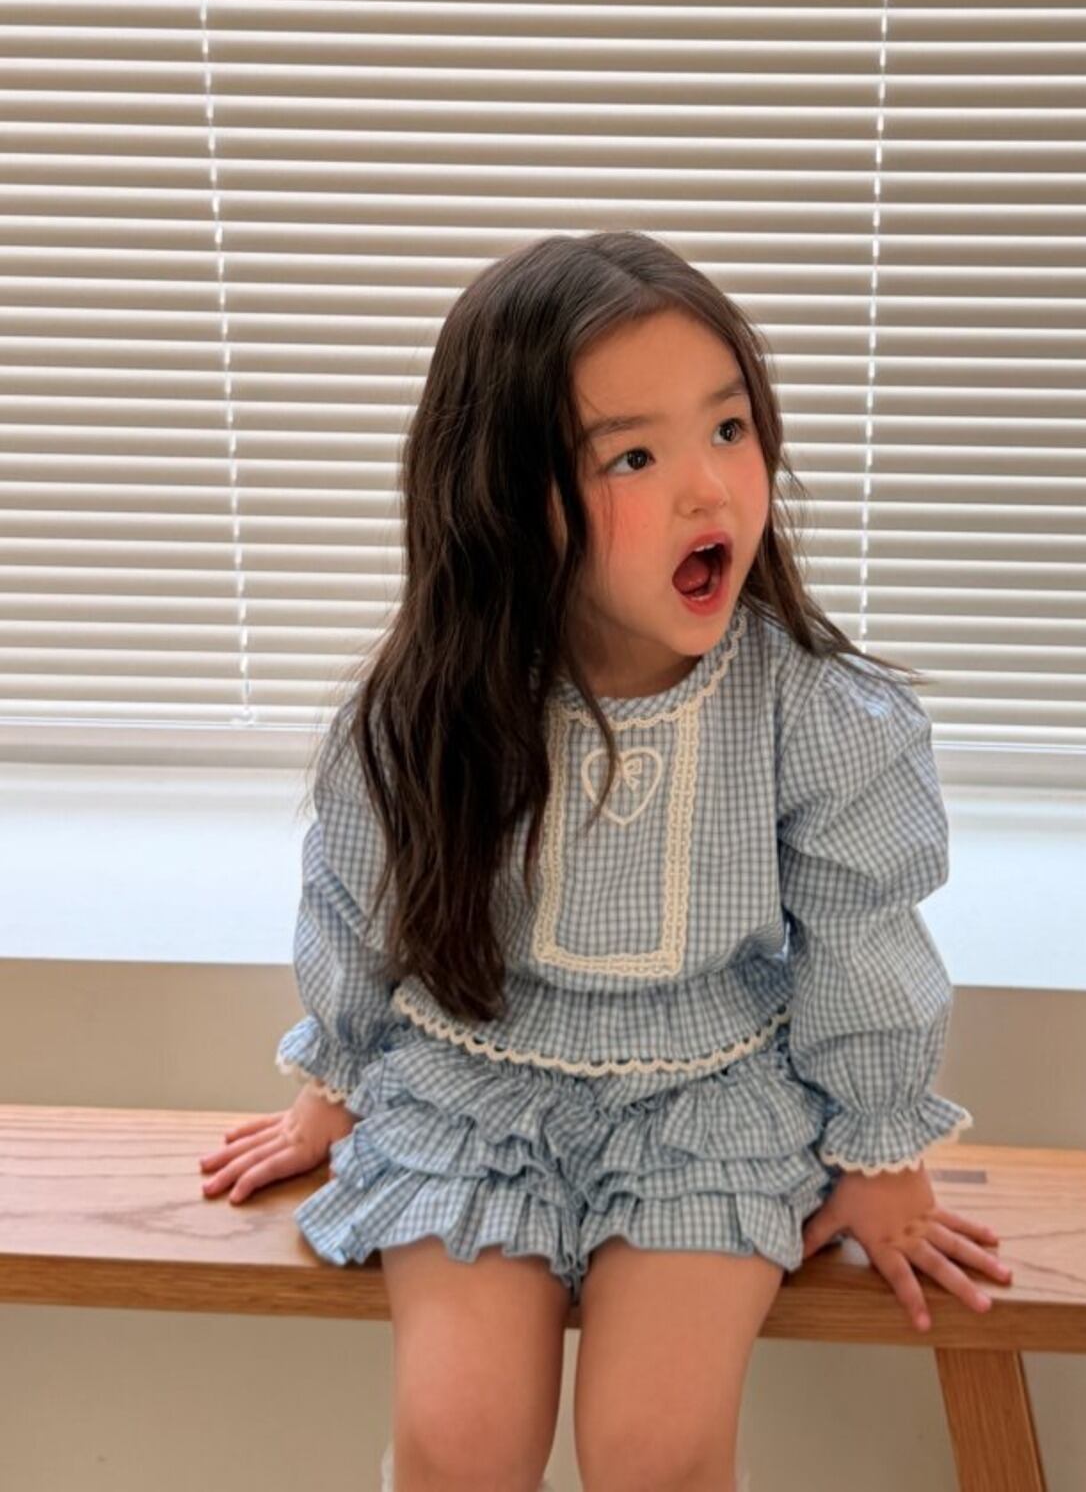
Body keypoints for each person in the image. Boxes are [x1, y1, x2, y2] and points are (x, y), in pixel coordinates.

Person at [196, 231, 1013, 1492]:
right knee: (458, 1444)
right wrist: (337, 1077)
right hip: (473, 1090)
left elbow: (863, 929)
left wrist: (879, 1148)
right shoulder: (431, 707)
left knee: (654, 1453)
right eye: (632, 456)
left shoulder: (806, 713)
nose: (707, 489)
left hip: (710, 1104)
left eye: (728, 429)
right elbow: (360, 893)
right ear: (506, 500)